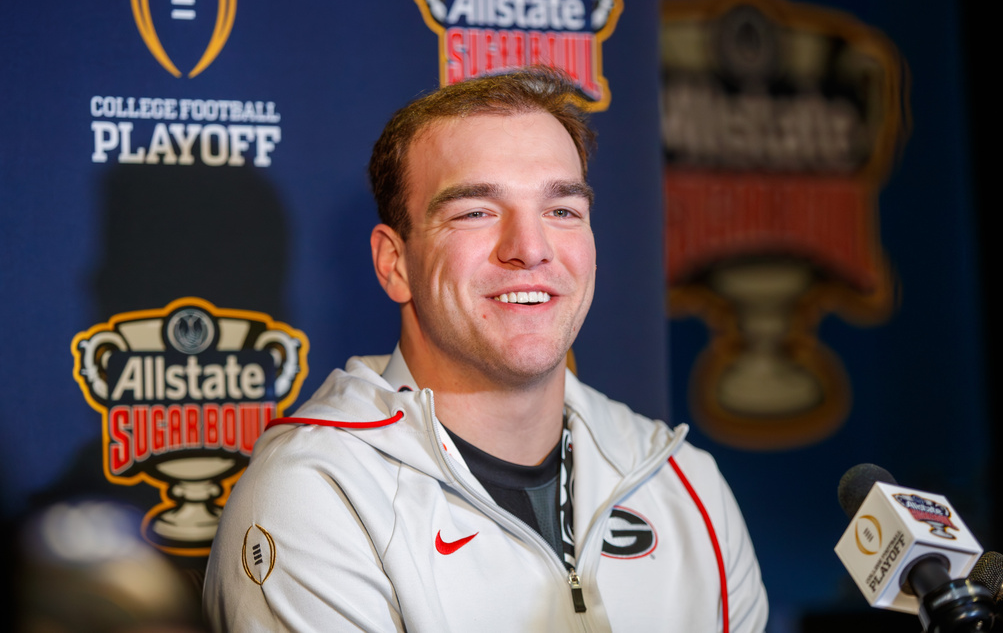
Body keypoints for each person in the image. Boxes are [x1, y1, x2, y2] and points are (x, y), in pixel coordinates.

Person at [202, 68, 768, 632]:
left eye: (562, 210)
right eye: (476, 212)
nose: (530, 248)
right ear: (394, 264)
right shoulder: (320, 497)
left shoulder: (684, 484)